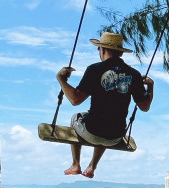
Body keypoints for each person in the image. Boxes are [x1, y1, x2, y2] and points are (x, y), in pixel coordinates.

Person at [56, 32, 154, 178]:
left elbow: (75, 100)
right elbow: (145, 107)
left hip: (92, 132)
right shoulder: (133, 74)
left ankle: (76, 164)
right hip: (116, 136)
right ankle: (92, 167)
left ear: (102, 50)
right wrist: (150, 87)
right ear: (120, 53)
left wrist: (61, 79)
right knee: (109, 122)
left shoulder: (95, 69)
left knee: (76, 117)